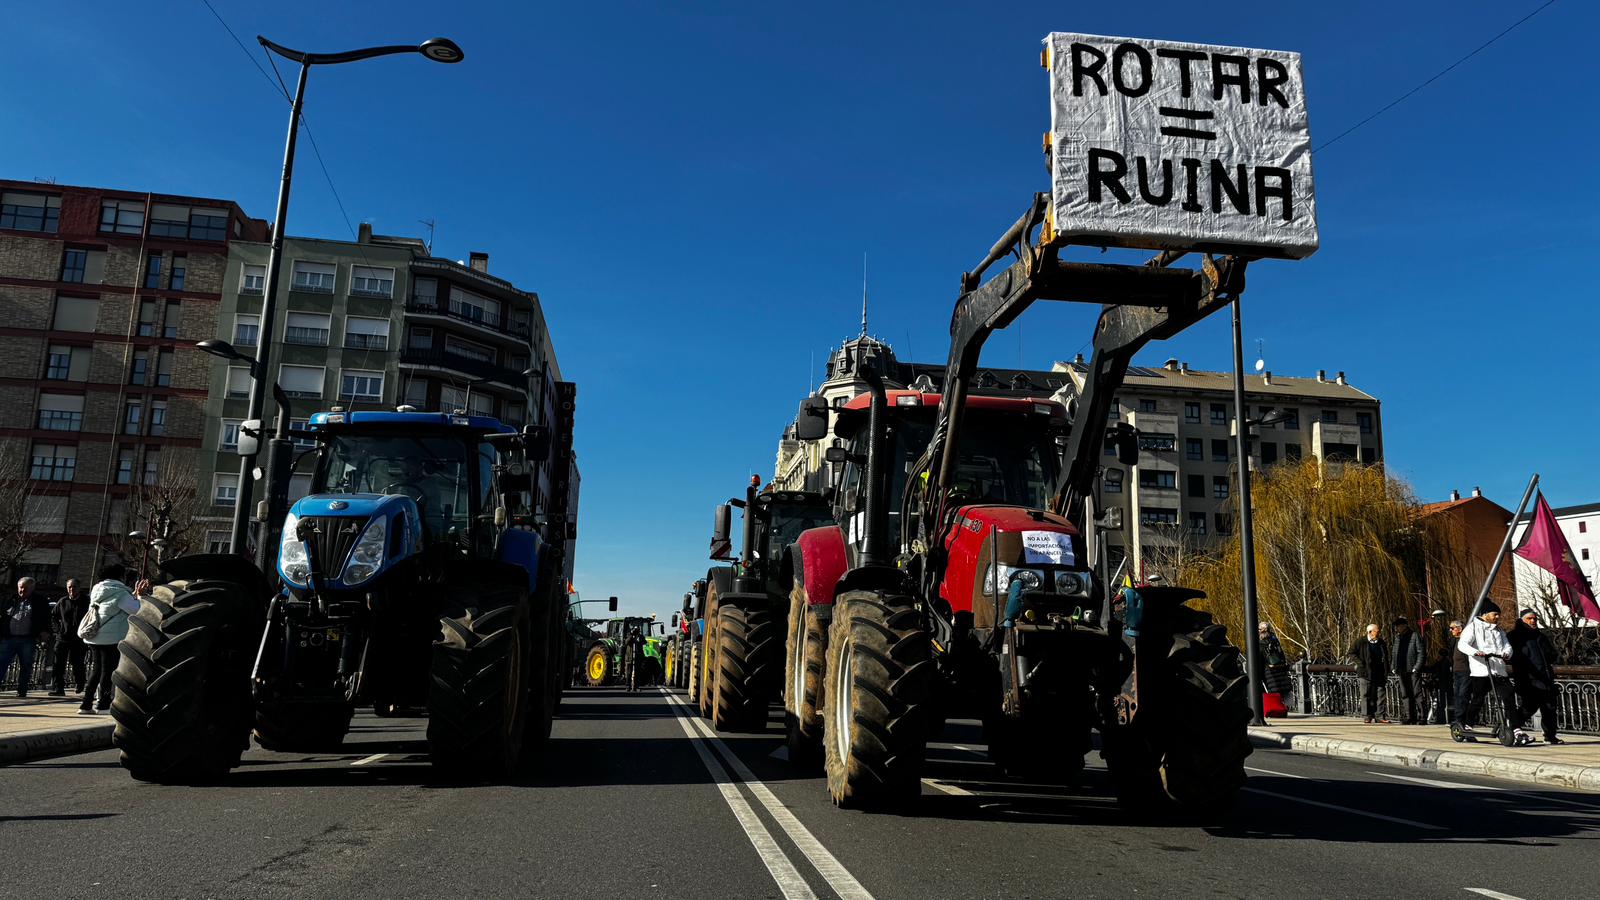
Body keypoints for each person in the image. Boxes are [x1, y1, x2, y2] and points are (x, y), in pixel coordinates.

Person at [81, 565, 148, 714]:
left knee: (96, 671)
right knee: (107, 671)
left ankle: (85, 704)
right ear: (120, 576)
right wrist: (140, 596)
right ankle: (103, 704)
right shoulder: (120, 593)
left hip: (95, 636)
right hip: (112, 637)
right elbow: (137, 610)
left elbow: (113, 606)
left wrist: (133, 594)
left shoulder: (98, 590)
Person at [1456, 600, 1520, 743]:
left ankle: (1516, 730)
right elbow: (1462, 644)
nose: (1497, 617)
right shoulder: (1473, 628)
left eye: (1498, 615)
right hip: (1481, 671)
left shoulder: (1499, 630)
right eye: (1495, 614)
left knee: (1509, 698)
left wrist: (1506, 654)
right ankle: (1468, 725)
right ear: (1485, 614)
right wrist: (1476, 652)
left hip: (1499, 670)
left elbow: (1507, 646)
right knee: (1477, 700)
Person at [1509, 609, 1562, 745]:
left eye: (1535, 619)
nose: (1533, 621)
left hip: (1545, 678)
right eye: (1530, 619)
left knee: (1550, 708)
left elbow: (1551, 654)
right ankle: (1512, 726)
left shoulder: (1540, 636)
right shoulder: (1515, 636)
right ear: (1522, 620)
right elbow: (1514, 658)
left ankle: (1550, 736)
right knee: (1529, 707)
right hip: (1528, 680)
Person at [1, 577, 54, 697]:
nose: (22, 591)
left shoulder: (39, 601)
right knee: (2, 663)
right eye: (20, 588)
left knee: (26, 664)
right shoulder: (10, 599)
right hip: (9, 637)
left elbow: (46, 618)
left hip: (27, 638)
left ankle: (22, 690)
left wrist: (44, 631)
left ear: (32, 589)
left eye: (25, 589)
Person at [49, 578, 88, 696]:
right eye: (69, 587)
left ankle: (80, 683)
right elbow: (53, 617)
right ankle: (58, 688)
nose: (72, 589)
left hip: (79, 638)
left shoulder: (87, 601)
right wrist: (57, 630)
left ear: (79, 588)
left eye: (74, 586)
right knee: (58, 664)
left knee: (77, 663)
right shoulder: (63, 602)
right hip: (63, 637)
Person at [1348, 622, 1390, 723]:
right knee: (1365, 694)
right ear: (1370, 632)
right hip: (1365, 672)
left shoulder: (1381, 642)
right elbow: (1351, 653)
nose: (1378, 632)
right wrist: (1360, 663)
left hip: (1379, 672)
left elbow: (1385, 656)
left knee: (1381, 694)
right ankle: (1367, 715)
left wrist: (1387, 669)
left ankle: (1380, 715)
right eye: (1376, 631)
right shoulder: (1361, 641)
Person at [1392, 615, 1425, 724]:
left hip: (1413, 669)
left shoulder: (1414, 636)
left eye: (1399, 626)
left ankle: (1422, 716)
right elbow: (1395, 653)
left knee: (1417, 693)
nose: (1397, 628)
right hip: (1402, 669)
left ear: (1405, 626)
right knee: (1405, 694)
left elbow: (1421, 652)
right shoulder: (1398, 638)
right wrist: (1394, 666)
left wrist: (1417, 667)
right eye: (1396, 626)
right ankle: (1409, 716)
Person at [1424, 609, 1452, 724]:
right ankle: (1440, 717)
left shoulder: (1443, 663)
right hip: (1441, 684)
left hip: (1442, 684)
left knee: (1441, 701)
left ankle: (1441, 718)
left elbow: (1436, 670)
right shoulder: (1441, 662)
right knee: (1440, 701)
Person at [1258, 622, 1292, 701]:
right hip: (1282, 674)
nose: (1258, 631)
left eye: (1259, 629)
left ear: (1263, 630)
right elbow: (1282, 655)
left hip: (1270, 676)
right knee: (1283, 699)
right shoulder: (1275, 640)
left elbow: (1260, 662)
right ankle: (1283, 711)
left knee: (1274, 699)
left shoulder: (1261, 643)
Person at [1448, 620, 1471, 729]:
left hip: (1466, 671)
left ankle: (1462, 719)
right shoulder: (1454, 640)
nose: (1451, 630)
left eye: (1453, 628)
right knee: (1457, 695)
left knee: (1463, 695)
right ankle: (1457, 719)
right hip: (1456, 671)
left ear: (1460, 629)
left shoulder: (1466, 639)